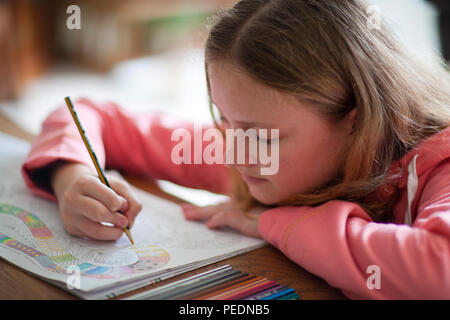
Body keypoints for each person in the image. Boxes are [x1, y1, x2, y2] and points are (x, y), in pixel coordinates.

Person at [22, 0, 450, 299]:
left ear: (354, 114)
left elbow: (438, 271)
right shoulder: (247, 149)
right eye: (223, 120)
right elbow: (84, 111)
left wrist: (271, 223)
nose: (237, 153)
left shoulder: (440, 164)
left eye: (263, 136)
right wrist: (72, 176)